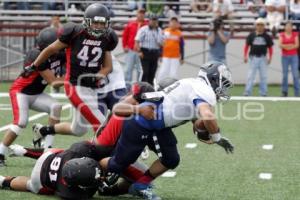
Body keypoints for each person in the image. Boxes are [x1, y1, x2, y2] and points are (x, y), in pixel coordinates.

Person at [99, 61, 234, 200]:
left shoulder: (194, 85)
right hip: (141, 123)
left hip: (158, 126)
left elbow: (197, 122)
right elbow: (208, 115)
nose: (223, 88)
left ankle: (140, 186)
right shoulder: (202, 89)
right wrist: (217, 137)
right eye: (222, 83)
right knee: (117, 164)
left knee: (171, 159)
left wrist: (205, 131)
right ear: (212, 79)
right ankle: (95, 168)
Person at [31, 3, 118, 136]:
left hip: (91, 87)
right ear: (87, 21)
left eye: (102, 23)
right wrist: (34, 65)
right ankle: (114, 156)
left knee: (79, 130)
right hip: (75, 85)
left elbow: (108, 67)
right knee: (102, 126)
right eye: (96, 23)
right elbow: (51, 49)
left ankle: (43, 130)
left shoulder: (108, 38)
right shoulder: (75, 32)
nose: (99, 26)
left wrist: (97, 76)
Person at [0, 27, 65, 167]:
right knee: (21, 122)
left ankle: (47, 150)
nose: (60, 46)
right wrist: (75, 79)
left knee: (56, 107)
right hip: (21, 92)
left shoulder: (59, 54)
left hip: (36, 93)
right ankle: (0, 152)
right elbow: (53, 82)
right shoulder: (36, 55)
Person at [0, 141, 113, 199]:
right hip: (40, 180)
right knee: (29, 185)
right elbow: (89, 193)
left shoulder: (77, 151)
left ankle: (24, 151)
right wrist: (100, 181)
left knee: (61, 152)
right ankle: (4, 181)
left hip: (48, 157)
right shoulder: (69, 192)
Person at [243, 18, 273, 96]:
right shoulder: (251, 35)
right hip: (253, 58)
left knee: (263, 76)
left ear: (264, 26)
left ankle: (263, 92)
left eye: (261, 25)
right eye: (258, 25)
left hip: (263, 58)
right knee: (250, 76)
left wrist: (270, 57)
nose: (260, 26)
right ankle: (247, 92)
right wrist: (245, 56)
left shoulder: (267, 36)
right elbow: (246, 46)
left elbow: (270, 48)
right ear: (256, 26)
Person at [135, 14, 164, 85]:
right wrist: (139, 51)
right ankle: (141, 86)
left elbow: (162, 43)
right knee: (145, 71)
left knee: (153, 72)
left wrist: (160, 43)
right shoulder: (143, 29)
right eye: (152, 20)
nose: (154, 22)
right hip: (145, 52)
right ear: (149, 21)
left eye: (155, 20)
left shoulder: (159, 30)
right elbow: (137, 40)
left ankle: (150, 87)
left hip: (155, 52)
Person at [122, 8, 148, 84]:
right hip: (131, 50)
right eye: (140, 13)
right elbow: (125, 36)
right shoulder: (131, 24)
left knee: (140, 70)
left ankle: (138, 88)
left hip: (142, 51)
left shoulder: (147, 25)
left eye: (143, 13)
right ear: (137, 14)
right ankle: (127, 87)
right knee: (127, 69)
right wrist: (124, 46)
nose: (141, 14)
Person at [156, 17, 184, 82]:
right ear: (169, 23)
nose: (173, 24)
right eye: (172, 22)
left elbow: (182, 46)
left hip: (175, 57)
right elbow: (161, 44)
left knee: (173, 74)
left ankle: (173, 88)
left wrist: (182, 57)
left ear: (177, 24)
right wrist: (160, 55)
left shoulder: (179, 33)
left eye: (175, 22)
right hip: (166, 56)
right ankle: (158, 85)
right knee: (163, 72)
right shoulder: (165, 31)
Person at [279, 21, 299, 97]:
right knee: (285, 75)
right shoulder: (282, 34)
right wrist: (290, 46)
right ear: (285, 27)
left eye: (290, 26)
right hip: (285, 57)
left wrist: (287, 46)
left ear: (292, 27)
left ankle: (297, 93)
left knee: (295, 75)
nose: (288, 28)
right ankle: (284, 92)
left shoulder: (295, 34)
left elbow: (297, 45)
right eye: (287, 26)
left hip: (294, 56)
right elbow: (280, 45)